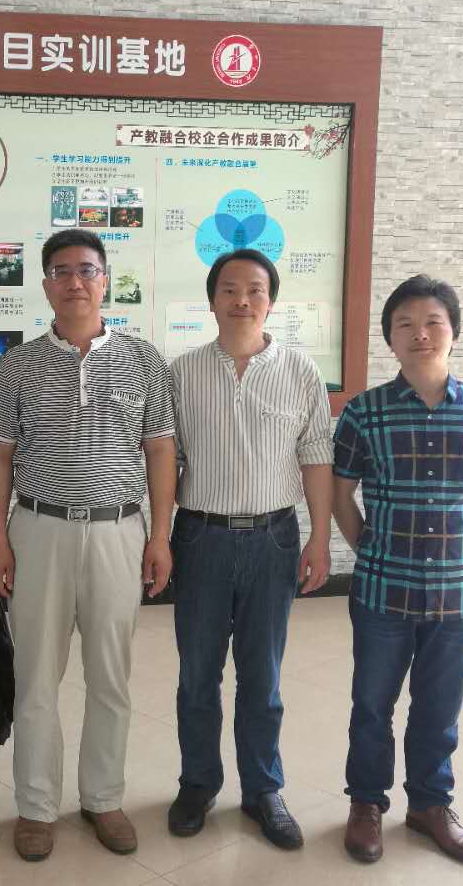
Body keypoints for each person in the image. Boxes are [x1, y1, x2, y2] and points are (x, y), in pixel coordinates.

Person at [0, 228, 176, 862]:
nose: (74, 282)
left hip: (120, 530)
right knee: (37, 676)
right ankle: (37, 806)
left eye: (86, 270)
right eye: (61, 271)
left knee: (111, 676)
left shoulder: (145, 360)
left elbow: (160, 449)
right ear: (46, 285)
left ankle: (103, 798)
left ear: (105, 280)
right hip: (38, 530)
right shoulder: (18, 365)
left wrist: (160, 535)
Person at [333, 274, 463, 866]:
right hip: (383, 589)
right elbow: (341, 494)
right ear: (389, 337)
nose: (420, 334)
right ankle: (366, 803)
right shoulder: (364, 412)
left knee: (439, 707)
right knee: (372, 704)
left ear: (453, 332)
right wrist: (369, 548)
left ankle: (431, 805)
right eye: (405, 324)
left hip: (459, 593)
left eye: (433, 322)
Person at [166, 248, 334, 850]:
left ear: (271, 301)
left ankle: (264, 789)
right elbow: (165, 460)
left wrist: (319, 537)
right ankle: (198, 783)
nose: (242, 300)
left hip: (274, 538)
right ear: (212, 300)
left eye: (255, 290)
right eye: (230, 289)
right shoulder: (181, 373)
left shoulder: (300, 370)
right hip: (201, 536)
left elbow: (316, 455)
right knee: (198, 674)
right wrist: (158, 536)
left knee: (263, 676)